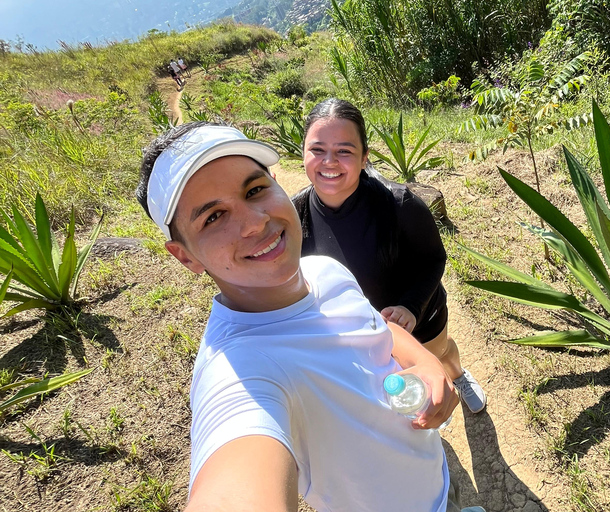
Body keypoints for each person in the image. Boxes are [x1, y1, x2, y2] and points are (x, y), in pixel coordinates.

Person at [135, 121, 485, 512]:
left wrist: (424, 361)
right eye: (213, 217)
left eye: (254, 190)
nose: (255, 222)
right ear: (185, 256)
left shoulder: (322, 269)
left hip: (438, 482)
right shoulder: (241, 373)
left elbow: (374, 323)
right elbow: (237, 469)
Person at [293, 99, 487, 414]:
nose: (329, 162)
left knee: (439, 355)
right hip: (357, 341)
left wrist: (411, 307)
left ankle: (457, 375)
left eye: (344, 151)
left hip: (420, 320)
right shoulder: (292, 217)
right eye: (317, 149)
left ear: (364, 157)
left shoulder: (400, 205)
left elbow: (432, 260)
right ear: (303, 152)